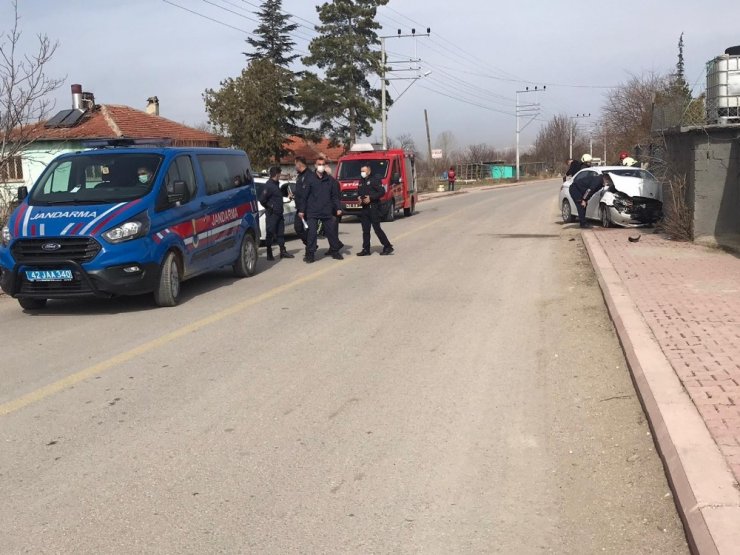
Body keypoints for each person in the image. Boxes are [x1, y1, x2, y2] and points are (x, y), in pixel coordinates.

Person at [297, 160, 343, 264]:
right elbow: (304, 196)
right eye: (319, 164)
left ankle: (335, 251)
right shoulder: (310, 179)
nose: (321, 166)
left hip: (326, 211)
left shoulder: (330, 180)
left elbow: (335, 196)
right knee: (312, 233)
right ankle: (310, 254)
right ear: (315, 165)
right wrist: (302, 210)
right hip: (312, 211)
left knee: (331, 232)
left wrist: (338, 208)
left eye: (323, 164)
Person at [356, 164, 393, 256]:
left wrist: (371, 198)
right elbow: (359, 192)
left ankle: (388, 246)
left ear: (369, 171)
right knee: (365, 230)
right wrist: (359, 198)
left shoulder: (374, 180)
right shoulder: (361, 181)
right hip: (364, 209)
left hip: (373, 207)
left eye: (364, 171)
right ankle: (366, 249)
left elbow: (382, 192)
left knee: (377, 229)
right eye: (361, 171)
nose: (362, 173)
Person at [259, 166, 294, 261]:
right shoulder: (269, 185)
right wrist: (271, 207)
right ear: (277, 174)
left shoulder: (276, 184)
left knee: (280, 233)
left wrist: (287, 197)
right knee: (270, 233)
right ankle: (269, 253)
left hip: (279, 214)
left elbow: (276, 198)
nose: (280, 175)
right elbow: (262, 200)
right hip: (272, 215)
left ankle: (283, 251)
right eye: (280, 173)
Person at [314, 155, 344, 250]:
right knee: (330, 230)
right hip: (326, 208)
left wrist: (337, 208)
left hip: (332, 209)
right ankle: (334, 246)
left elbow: (336, 196)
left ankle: (336, 246)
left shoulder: (333, 182)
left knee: (332, 230)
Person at [292, 157, 311, 245]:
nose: (295, 166)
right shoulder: (300, 175)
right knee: (298, 227)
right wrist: (293, 194)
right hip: (300, 207)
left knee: (308, 229)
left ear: (299, 164)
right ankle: (310, 244)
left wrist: (302, 210)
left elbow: (306, 194)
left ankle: (310, 246)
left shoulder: (309, 175)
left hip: (307, 208)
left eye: (295, 164)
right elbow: (300, 191)